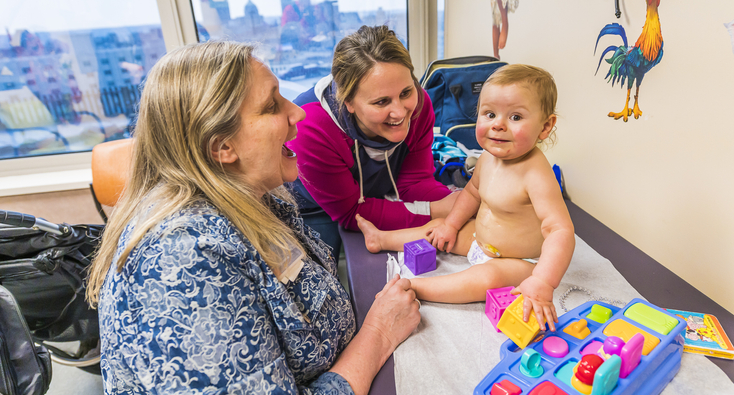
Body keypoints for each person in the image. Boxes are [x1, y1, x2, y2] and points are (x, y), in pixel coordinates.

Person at [85, 41, 420, 395]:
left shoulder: (252, 199)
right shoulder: (181, 264)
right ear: (222, 147)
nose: (299, 113)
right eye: (272, 105)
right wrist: (378, 335)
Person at [356, 64, 575, 331]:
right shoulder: (487, 158)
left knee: (486, 276)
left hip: (519, 261)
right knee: (437, 226)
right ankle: (381, 239)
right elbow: (471, 193)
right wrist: (451, 225)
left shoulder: (535, 173)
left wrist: (543, 281)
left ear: (545, 126)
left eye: (516, 117)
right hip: (480, 241)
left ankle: (414, 286)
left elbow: (559, 230)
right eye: (489, 114)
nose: (498, 125)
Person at [287, 25, 459, 256]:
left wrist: (460, 205)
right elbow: (350, 213)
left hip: (378, 190)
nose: (399, 112)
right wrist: (436, 212)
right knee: (328, 264)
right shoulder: (310, 126)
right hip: (317, 207)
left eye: (406, 93)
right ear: (347, 102)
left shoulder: (419, 104)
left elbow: (415, 182)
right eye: (381, 102)